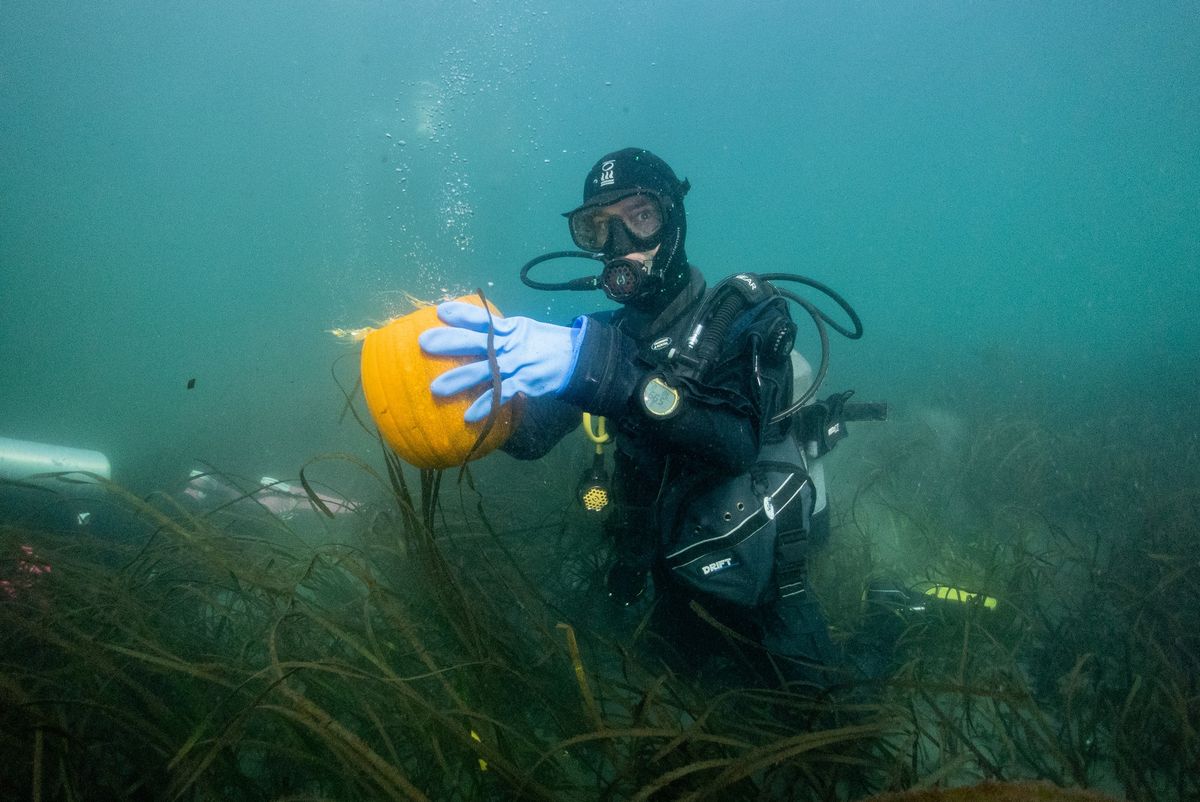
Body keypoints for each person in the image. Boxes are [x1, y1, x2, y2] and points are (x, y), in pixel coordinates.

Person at [419, 148, 845, 688]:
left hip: (765, 580)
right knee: (671, 696)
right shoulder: (605, 337)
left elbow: (734, 442)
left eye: (640, 218)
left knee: (824, 706)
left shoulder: (745, 318)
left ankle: (890, 612)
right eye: (597, 229)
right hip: (667, 568)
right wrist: (458, 405)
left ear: (674, 222)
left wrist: (602, 370)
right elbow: (532, 439)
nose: (620, 248)